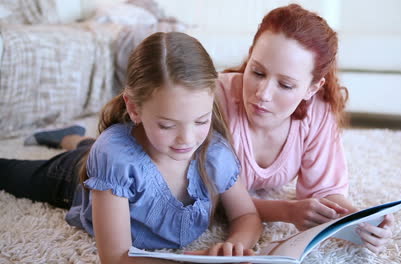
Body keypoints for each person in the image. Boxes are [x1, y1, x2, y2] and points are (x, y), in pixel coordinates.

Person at [0, 32, 262, 264]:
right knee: (10, 173)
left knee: (98, 148)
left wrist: (235, 245)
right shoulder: (114, 157)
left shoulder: (213, 151)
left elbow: (247, 215)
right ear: (134, 108)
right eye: (168, 125)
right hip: (72, 177)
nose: (187, 139)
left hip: (115, 154)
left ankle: (70, 137)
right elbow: (115, 257)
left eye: (201, 121)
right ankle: (73, 143)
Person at [216, 4, 393, 254]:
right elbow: (207, 201)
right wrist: (286, 211)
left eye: (286, 85)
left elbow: (325, 191)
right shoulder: (214, 100)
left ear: (312, 88)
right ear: (250, 55)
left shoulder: (317, 111)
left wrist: (359, 220)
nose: (262, 94)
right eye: (256, 71)